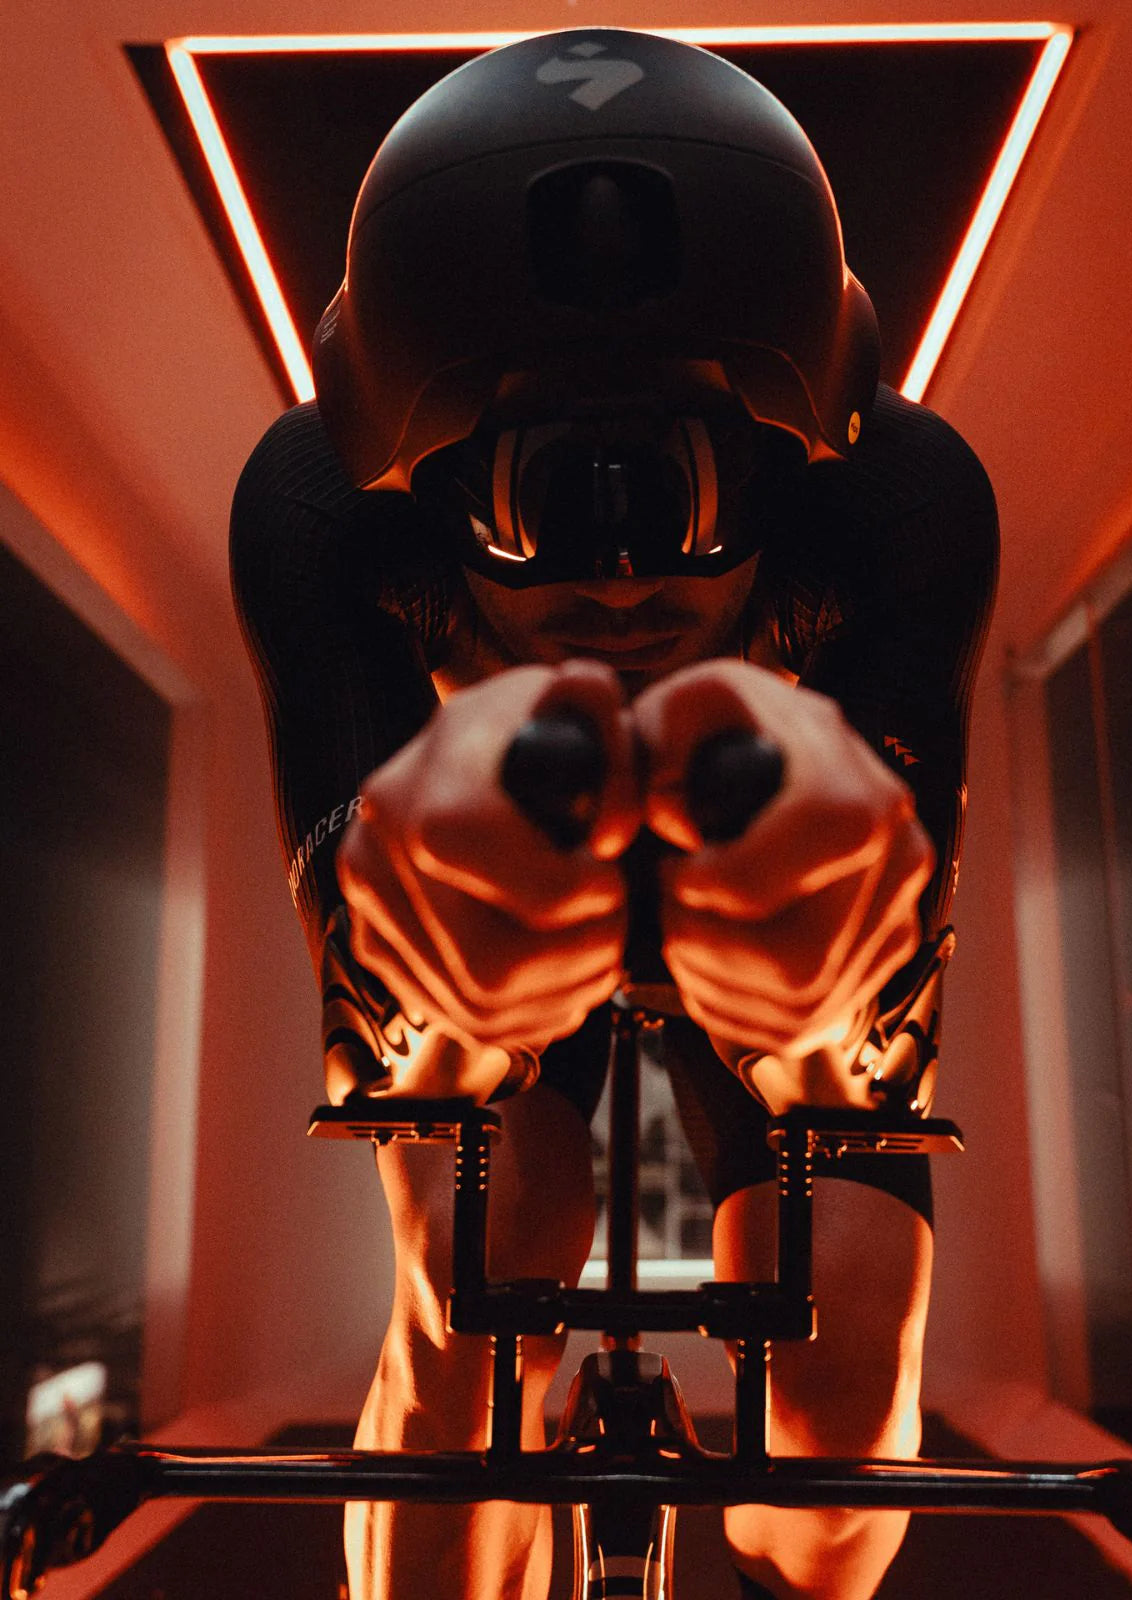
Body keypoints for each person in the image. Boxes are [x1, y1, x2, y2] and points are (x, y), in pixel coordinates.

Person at [230, 28, 997, 1600]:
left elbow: (877, 976)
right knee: (474, 1269)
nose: (621, 574)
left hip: (695, 850)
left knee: (847, 1344)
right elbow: (375, 996)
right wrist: (426, 1004)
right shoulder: (315, 512)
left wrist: (837, 995)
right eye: (537, 496)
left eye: (689, 482)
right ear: (417, 489)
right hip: (505, 864)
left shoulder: (902, 497)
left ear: (794, 464)